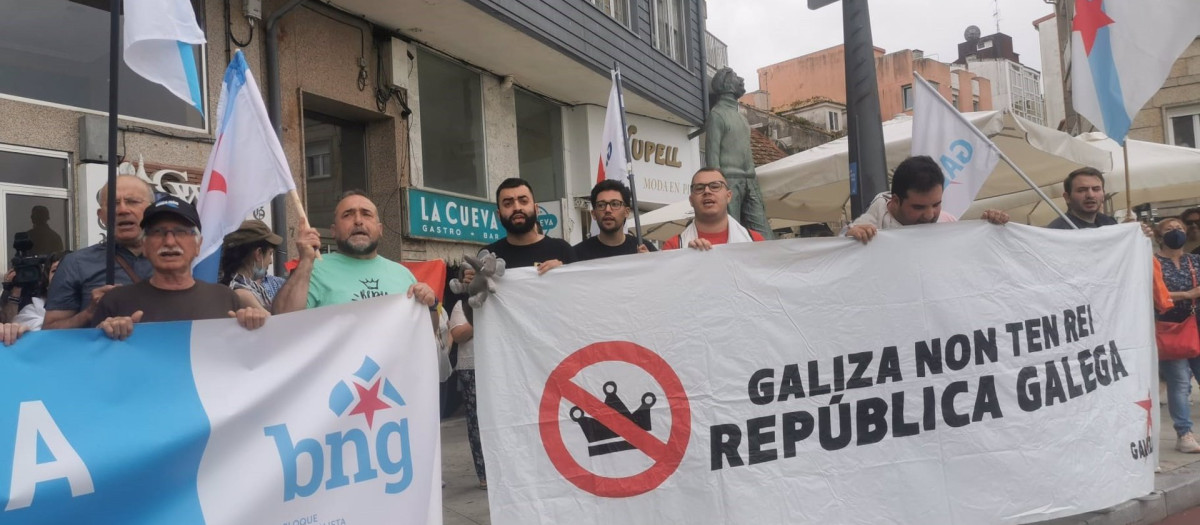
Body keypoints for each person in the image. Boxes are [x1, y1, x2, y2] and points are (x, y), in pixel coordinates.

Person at [86, 196, 268, 340]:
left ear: (198, 245)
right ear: (144, 245)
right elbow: (94, 363)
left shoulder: (224, 297)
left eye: (181, 232)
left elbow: (242, 362)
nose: (170, 242)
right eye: (158, 232)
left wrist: (253, 325)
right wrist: (105, 334)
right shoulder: (116, 302)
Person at [273, 190, 436, 314]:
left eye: (366, 214)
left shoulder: (403, 275)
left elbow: (426, 333)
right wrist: (305, 261)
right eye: (348, 215)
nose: (358, 221)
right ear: (333, 231)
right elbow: (283, 320)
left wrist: (432, 304)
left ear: (380, 230)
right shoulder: (312, 269)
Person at [44, 175, 155, 330]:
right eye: (113, 204)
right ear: (101, 216)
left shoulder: (173, 260)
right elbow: (50, 331)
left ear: (152, 210)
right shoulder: (75, 264)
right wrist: (89, 313)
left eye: (132, 201)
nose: (123, 210)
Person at [845, 156, 1009, 244]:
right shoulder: (869, 226)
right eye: (918, 207)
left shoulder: (947, 221)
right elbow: (839, 256)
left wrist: (987, 228)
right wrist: (851, 239)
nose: (930, 215)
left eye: (936, 204)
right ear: (895, 201)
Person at [705, 68, 771, 238]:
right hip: (728, 181)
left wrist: (753, 180)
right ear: (726, 84)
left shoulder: (742, 118)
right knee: (732, 234)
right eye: (735, 77)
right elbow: (712, 156)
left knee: (763, 234)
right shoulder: (717, 114)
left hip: (750, 180)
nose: (741, 79)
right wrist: (717, 186)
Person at [1153, 217, 1200, 453]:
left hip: (1197, 326)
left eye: (1180, 228)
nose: (1176, 232)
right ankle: (1185, 434)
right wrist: (1188, 293)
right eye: (1169, 229)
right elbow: (1154, 294)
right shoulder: (1153, 263)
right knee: (1180, 382)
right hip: (1170, 329)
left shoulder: (1194, 260)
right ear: (1159, 236)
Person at [662, 168, 765, 250]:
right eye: (699, 188)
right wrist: (686, 258)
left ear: (728, 196)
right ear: (691, 200)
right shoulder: (673, 247)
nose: (707, 191)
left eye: (715, 186)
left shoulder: (755, 241)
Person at [483, 178, 575, 271]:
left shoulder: (561, 250)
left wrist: (563, 271)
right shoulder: (489, 255)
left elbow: (579, 283)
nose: (517, 208)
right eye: (508, 204)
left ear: (536, 209)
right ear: (498, 215)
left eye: (523, 201)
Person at [448, 300, 486, 489]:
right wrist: (481, 317)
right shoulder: (462, 305)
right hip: (471, 368)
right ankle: (484, 473)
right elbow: (458, 334)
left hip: (498, 364)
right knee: (476, 422)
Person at [574, 180, 655, 261]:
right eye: (601, 205)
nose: (608, 210)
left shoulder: (646, 250)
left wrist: (650, 264)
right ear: (593, 214)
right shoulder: (576, 255)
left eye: (615, 204)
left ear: (627, 212)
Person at [219, 220, 285, 310]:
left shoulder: (248, 285)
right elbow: (273, 322)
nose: (270, 261)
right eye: (270, 253)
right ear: (258, 253)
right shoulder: (242, 292)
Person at [2, 252, 67, 330]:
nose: (60, 275)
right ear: (47, 282)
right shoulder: (32, 310)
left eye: (65, 269)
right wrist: (16, 286)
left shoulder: (85, 307)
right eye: (55, 270)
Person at [1046, 167, 1118, 229]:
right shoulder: (1057, 231)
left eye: (1096, 189)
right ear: (1067, 197)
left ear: (1103, 194)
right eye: (1082, 190)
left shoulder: (1110, 223)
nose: (1090, 195)